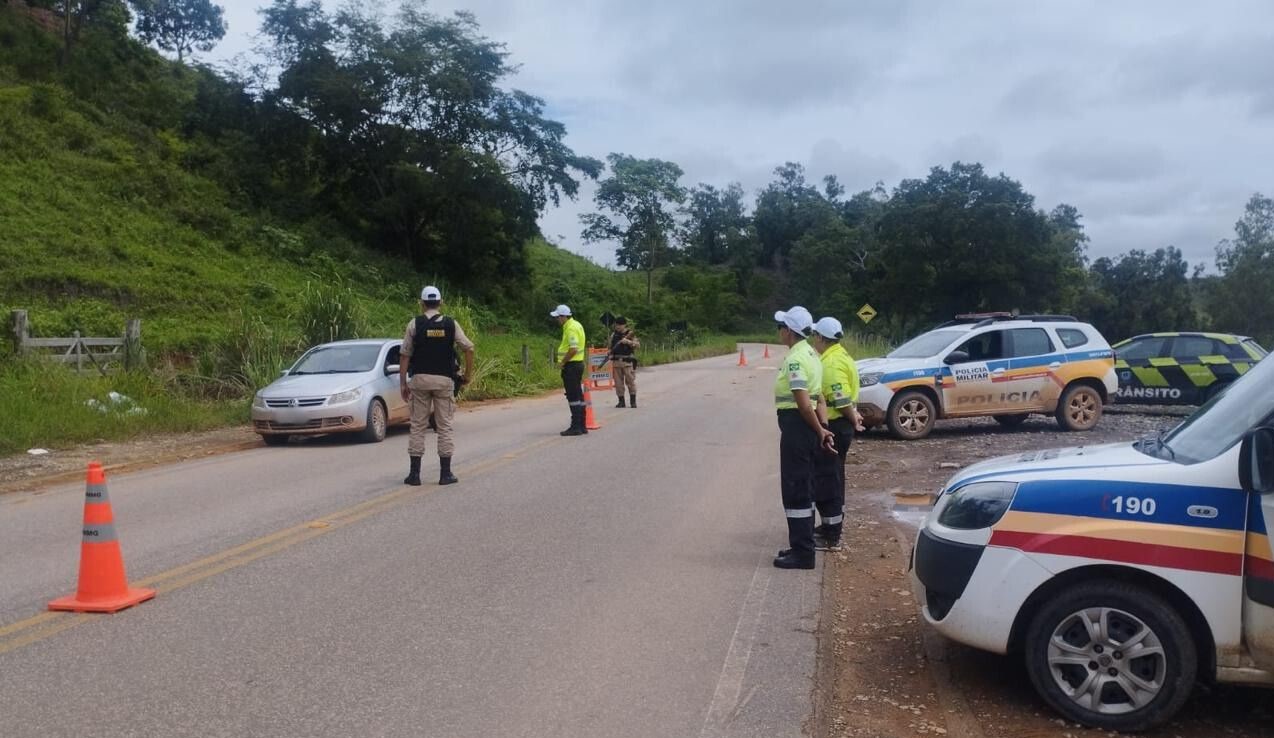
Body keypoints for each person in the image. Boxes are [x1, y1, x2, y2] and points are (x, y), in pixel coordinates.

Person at [772, 306, 835, 570]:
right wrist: (822, 427)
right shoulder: (812, 354)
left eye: (780, 327)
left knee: (796, 489)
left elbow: (804, 403)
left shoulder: (796, 359)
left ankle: (803, 553)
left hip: (798, 427)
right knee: (805, 487)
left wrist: (820, 430)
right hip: (807, 427)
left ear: (788, 331)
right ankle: (802, 544)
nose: (778, 331)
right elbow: (819, 398)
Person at [399, 286, 475, 486]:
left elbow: (405, 354)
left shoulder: (414, 324)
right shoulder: (451, 324)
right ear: (440, 303)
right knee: (445, 427)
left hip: (420, 380)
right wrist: (467, 375)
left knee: (417, 426)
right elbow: (469, 348)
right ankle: (445, 474)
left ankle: (414, 475)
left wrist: (402, 384)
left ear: (422, 303)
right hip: (444, 381)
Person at [809, 317, 864, 551]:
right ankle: (830, 527)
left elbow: (840, 399)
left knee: (827, 479)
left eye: (815, 337)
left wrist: (854, 419)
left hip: (835, 424)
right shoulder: (842, 355)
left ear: (821, 337)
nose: (814, 341)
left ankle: (831, 535)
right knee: (834, 476)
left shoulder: (830, 363)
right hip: (841, 424)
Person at [551, 304, 589, 436]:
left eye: (558, 317)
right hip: (577, 364)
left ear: (563, 317)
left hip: (571, 366)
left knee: (573, 396)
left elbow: (573, 349)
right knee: (578, 395)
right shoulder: (576, 325)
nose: (557, 320)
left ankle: (576, 426)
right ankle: (582, 425)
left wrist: (563, 362)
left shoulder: (571, 328)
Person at [608, 316, 640, 408]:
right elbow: (610, 346)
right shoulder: (613, 335)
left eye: (620, 325)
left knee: (630, 382)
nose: (618, 327)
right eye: (616, 325)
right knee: (618, 384)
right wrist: (609, 351)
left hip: (627, 362)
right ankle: (621, 401)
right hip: (616, 362)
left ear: (624, 325)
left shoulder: (630, 334)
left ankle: (633, 401)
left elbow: (637, 345)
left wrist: (628, 342)